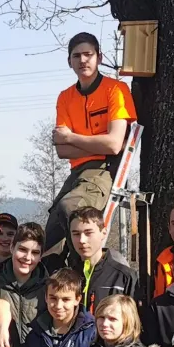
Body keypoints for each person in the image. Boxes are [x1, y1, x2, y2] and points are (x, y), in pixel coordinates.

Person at [46, 32, 137, 254]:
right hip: (77, 172)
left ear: (99, 57)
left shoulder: (116, 90)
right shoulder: (65, 97)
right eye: (76, 56)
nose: (83, 60)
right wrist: (95, 143)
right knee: (52, 227)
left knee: (72, 210)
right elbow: (62, 150)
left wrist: (71, 138)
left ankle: (82, 271)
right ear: (70, 62)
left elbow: (114, 145)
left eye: (88, 54)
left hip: (105, 170)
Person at [45, 207, 140, 312]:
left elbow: (134, 323)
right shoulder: (67, 276)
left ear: (103, 233)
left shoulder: (124, 277)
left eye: (88, 233)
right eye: (76, 234)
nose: (82, 240)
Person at [0, 222, 49, 335]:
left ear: (41, 256)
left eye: (35, 252)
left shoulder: (48, 288)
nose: (27, 257)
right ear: (12, 248)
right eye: (22, 249)